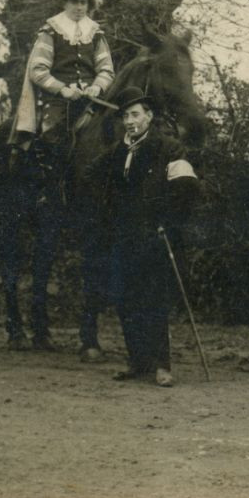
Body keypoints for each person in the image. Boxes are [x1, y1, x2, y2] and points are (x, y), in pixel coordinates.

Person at [90, 86, 201, 387]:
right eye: (125, 116)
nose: (129, 121)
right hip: (123, 237)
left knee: (154, 300)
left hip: (156, 236)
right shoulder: (116, 153)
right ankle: (137, 362)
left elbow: (187, 188)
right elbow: (97, 186)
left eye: (135, 114)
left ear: (149, 116)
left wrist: (168, 221)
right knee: (126, 300)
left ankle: (162, 365)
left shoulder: (169, 148)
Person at [11, 0, 115, 152]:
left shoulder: (95, 33)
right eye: (74, 2)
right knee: (52, 139)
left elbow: (106, 69)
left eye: (83, 2)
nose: (79, 7)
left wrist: (97, 87)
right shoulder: (51, 31)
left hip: (92, 100)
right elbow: (37, 70)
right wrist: (63, 89)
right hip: (58, 102)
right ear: (64, 3)